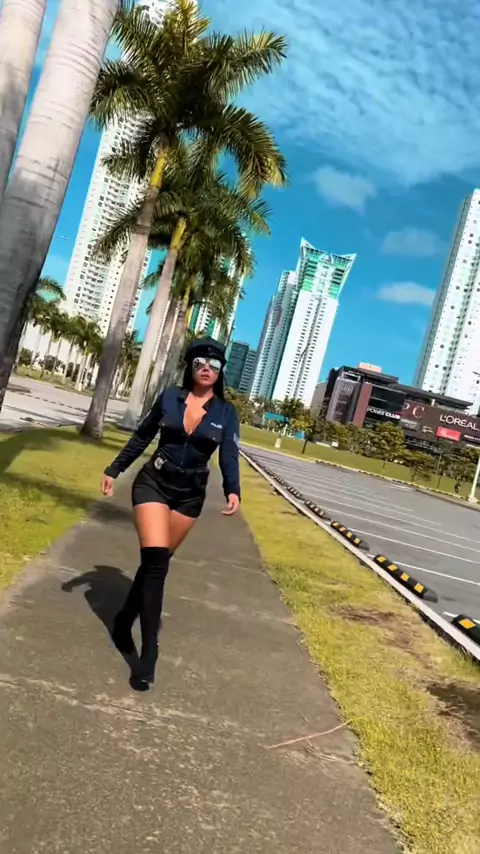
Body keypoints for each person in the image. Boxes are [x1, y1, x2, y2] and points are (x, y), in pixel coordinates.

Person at [101, 337, 241, 690]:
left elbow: (228, 455)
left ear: (221, 371)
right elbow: (142, 436)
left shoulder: (226, 414)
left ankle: (123, 620)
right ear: (190, 368)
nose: (206, 368)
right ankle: (149, 654)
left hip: (190, 494)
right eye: (199, 363)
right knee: (156, 562)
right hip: (154, 483)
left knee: (155, 564)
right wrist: (115, 469)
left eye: (214, 364)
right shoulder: (169, 398)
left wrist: (233, 489)